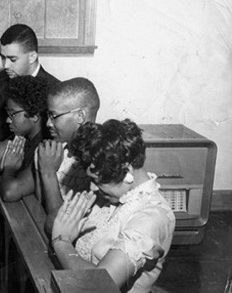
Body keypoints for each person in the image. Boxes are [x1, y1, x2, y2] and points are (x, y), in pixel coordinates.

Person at [51, 119, 176, 293]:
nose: (93, 188)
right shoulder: (113, 196)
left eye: (98, 181)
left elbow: (99, 287)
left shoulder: (151, 218)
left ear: (127, 171)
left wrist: (61, 242)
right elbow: (55, 224)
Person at [0, 77, 100, 208]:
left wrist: (48, 172)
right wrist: (39, 168)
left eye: (54, 116)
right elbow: (39, 204)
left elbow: (59, 223)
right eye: (48, 115)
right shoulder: (58, 147)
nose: (48, 123)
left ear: (80, 116)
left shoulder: (98, 158)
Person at [0, 75, 50, 200]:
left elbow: (9, 193)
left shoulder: (44, 146)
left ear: (34, 115)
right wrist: (0, 164)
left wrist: (9, 168)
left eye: (12, 114)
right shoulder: (22, 138)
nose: (7, 120)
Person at [0, 24, 58, 146]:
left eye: (12, 59)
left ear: (32, 57)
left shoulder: (55, 89)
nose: (5, 65)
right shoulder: (0, 84)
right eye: (2, 58)